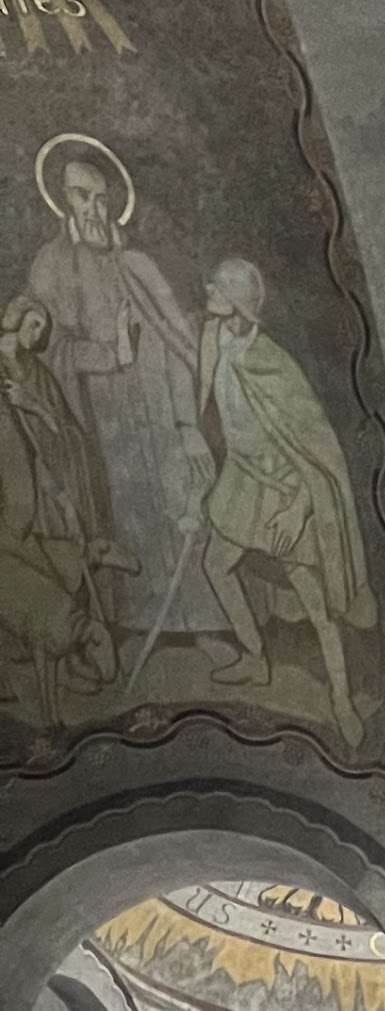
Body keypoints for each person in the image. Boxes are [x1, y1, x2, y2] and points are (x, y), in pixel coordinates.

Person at [23, 139, 215, 653]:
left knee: (178, 504)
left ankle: (201, 623)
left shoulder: (136, 263)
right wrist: (112, 355)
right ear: (63, 198)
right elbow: (46, 348)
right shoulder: (50, 264)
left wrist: (187, 421)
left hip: (157, 409)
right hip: (99, 419)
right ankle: (129, 624)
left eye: (100, 197)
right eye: (80, 196)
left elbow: (178, 341)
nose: (91, 208)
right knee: (121, 514)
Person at [195, 258, 375, 748]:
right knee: (214, 564)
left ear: (236, 303)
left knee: (317, 605)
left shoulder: (272, 361)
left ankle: (341, 699)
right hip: (240, 479)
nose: (208, 289)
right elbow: (208, 408)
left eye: (219, 286)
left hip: (284, 490)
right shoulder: (213, 340)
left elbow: (316, 447)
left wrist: (298, 507)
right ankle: (255, 656)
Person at [0, 294, 116, 730]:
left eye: (43, 328)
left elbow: (61, 429)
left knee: (64, 574)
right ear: (13, 320)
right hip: (10, 499)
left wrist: (30, 403)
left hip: (39, 494)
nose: (39, 335)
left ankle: (71, 662)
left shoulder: (37, 374)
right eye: (34, 325)